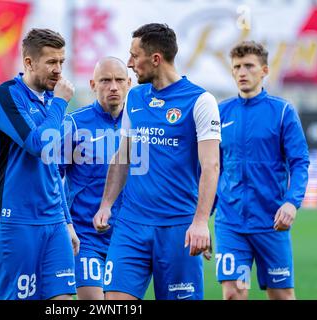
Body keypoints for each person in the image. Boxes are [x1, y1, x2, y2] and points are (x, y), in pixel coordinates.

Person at [93, 23, 221, 300]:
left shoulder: (201, 101)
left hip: (178, 228)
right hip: (130, 224)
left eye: (134, 56)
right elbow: (122, 156)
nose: (129, 64)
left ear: (155, 59)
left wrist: (200, 222)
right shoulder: (135, 97)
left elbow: (211, 167)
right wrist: (106, 205)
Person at [0, 28, 79, 300]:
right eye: (51, 62)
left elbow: (53, 169)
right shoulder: (7, 96)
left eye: (62, 62)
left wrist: (67, 221)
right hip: (16, 220)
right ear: (28, 62)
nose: (58, 70)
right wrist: (61, 104)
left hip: (54, 222)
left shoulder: (52, 102)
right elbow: (38, 145)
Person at [214, 41, 310, 300]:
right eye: (237, 67)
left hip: (271, 223)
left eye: (249, 66)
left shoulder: (282, 112)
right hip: (231, 223)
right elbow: (213, 168)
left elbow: (300, 162)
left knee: (282, 296)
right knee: (234, 294)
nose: (242, 72)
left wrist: (291, 203)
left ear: (264, 70)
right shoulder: (220, 113)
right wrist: (201, 218)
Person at [59, 57, 131, 299]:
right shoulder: (74, 124)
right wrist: (66, 224)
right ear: (92, 84)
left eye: (119, 80)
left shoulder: (140, 124)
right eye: (105, 80)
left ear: (129, 83)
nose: (113, 86)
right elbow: (52, 178)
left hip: (128, 238)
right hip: (86, 235)